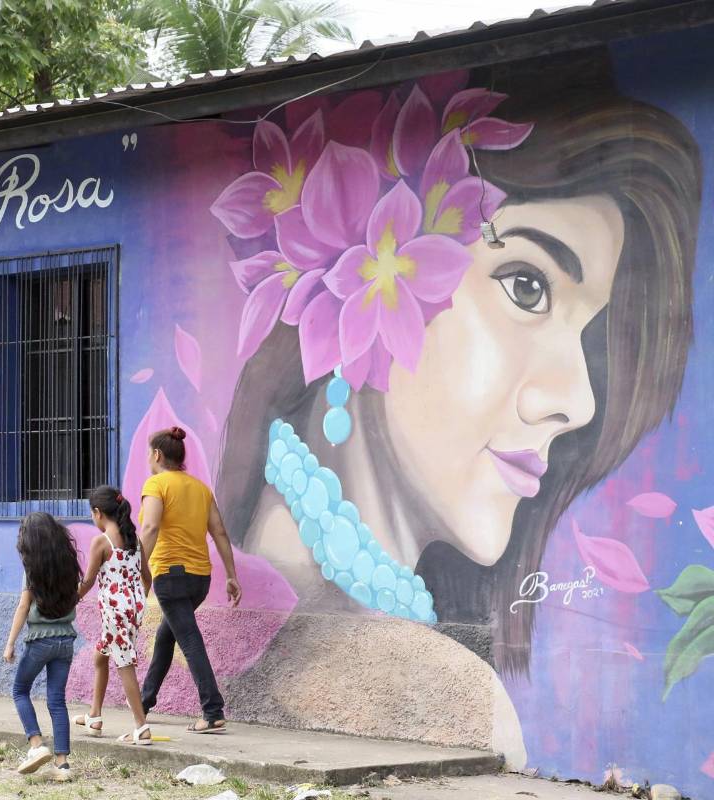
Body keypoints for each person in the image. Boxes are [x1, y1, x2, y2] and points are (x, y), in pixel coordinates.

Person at [210, 51, 700, 763]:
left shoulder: (253, 592)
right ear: (362, 289)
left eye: (589, 332)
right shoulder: (454, 699)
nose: (581, 403)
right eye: (528, 287)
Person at [139, 426, 242, 733]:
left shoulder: (156, 484)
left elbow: (150, 528)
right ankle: (143, 701)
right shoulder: (200, 488)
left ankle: (212, 710)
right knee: (165, 636)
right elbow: (220, 532)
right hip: (200, 579)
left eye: (149, 453)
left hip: (171, 577)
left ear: (157, 454)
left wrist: (137, 566)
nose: (148, 458)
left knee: (189, 640)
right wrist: (232, 575)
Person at [3, 511, 81, 781]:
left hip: (40, 641)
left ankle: (36, 746)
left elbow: (24, 606)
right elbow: (75, 597)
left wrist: (10, 644)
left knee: (20, 691)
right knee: (57, 701)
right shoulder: (69, 565)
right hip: (66, 641)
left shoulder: (32, 569)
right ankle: (62, 765)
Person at [74, 486, 151, 745]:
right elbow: (147, 578)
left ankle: (141, 727)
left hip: (115, 611)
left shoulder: (102, 542)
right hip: (132, 607)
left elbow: (87, 582)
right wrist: (137, 603)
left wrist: (69, 599)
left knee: (124, 664)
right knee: (101, 656)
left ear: (98, 513)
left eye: (92, 514)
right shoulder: (134, 539)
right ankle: (94, 715)